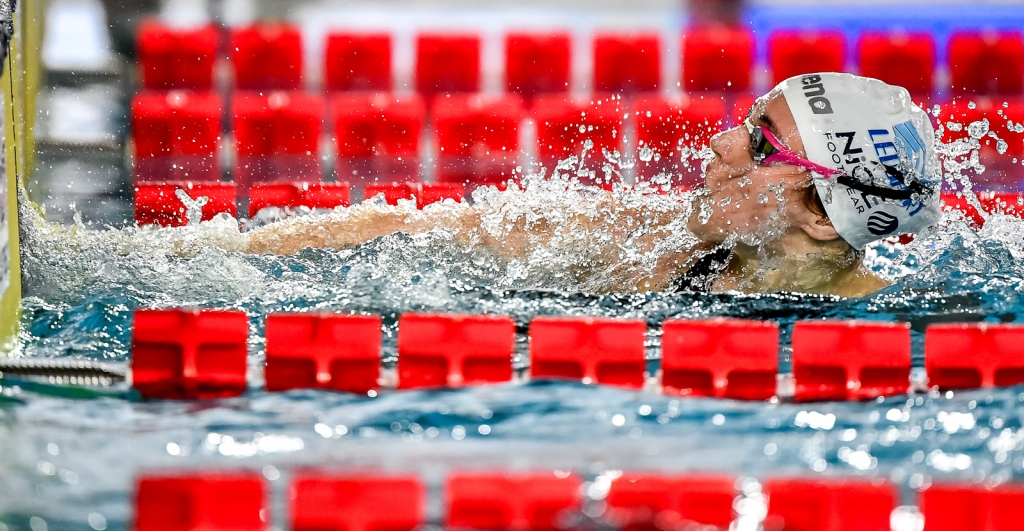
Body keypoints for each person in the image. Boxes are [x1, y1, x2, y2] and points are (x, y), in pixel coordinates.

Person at [244, 73, 942, 297]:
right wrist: (214, 250)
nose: (722, 141)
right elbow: (408, 229)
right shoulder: (658, 243)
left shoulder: (910, 330)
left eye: (761, 142)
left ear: (823, 214)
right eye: (744, 120)